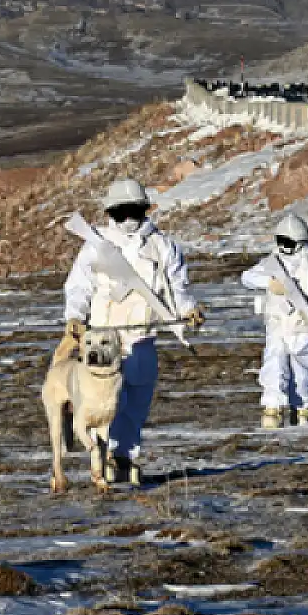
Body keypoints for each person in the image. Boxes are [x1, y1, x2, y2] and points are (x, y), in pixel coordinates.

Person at [62, 179, 204, 486]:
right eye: (122, 212)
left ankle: (125, 457)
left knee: (137, 401)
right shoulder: (95, 244)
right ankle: (105, 455)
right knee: (108, 402)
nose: (128, 219)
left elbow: (177, 288)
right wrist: (74, 316)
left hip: (143, 337)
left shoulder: (162, 246)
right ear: (111, 212)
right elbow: (78, 286)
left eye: (134, 212)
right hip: (104, 340)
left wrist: (188, 309)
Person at [242, 215, 308, 429]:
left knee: (302, 372)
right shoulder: (272, 264)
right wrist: (269, 283)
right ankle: (272, 409)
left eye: (289, 243)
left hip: (305, 327)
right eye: (281, 242)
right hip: (277, 323)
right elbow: (247, 277)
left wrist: (305, 308)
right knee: (274, 365)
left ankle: (301, 409)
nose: (284, 247)